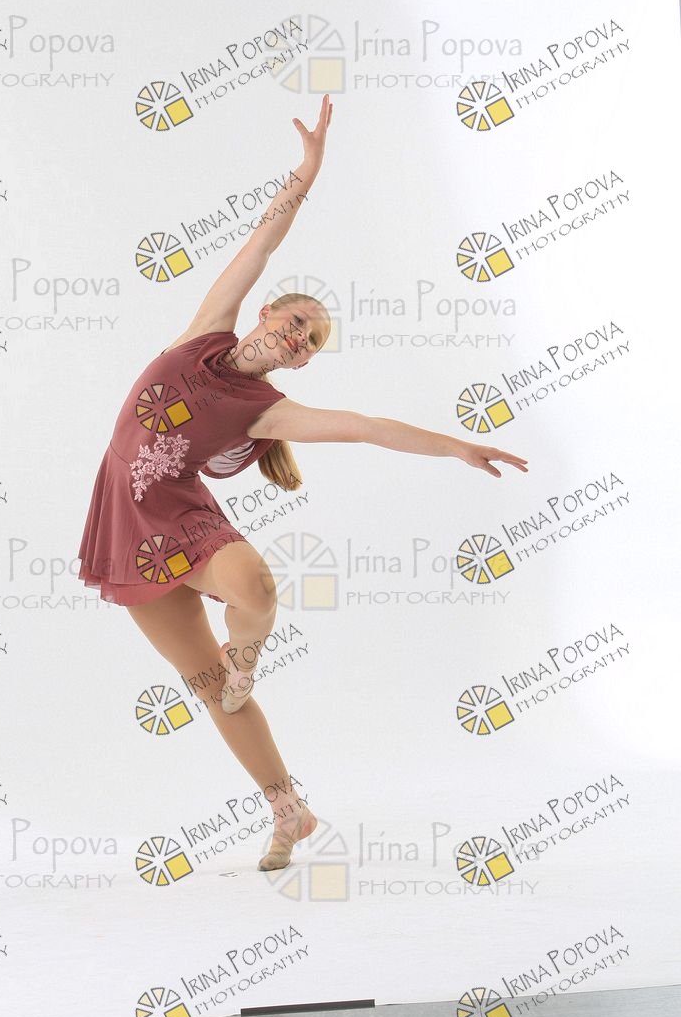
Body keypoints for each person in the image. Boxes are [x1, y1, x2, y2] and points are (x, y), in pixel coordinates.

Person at [77, 96, 528, 871]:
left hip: (183, 516)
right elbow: (263, 238)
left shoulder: (266, 411)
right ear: (265, 316)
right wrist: (308, 171)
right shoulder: (204, 332)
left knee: (253, 587)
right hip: (123, 522)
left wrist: (455, 446)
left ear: (301, 360)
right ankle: (289, 810)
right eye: (296, 322)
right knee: (207, 687)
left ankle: (248, 655)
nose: (298, 337)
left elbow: (365, 427)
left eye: (310, 340)